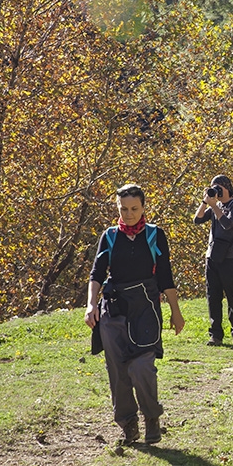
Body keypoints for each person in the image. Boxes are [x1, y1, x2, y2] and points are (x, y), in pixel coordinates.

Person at [85, 184, 185, 445]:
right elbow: (96, 274)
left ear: (143, 208)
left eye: (134, 209)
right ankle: (128, 424)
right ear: (117, 208)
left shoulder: (155, 235)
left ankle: (152, 416)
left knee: (142, 367)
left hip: (146, 309)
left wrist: (176, 312)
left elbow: (165, 276)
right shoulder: (109, 236)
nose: (128, 214)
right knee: (117, 371)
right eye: (123, 209)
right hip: (113, 311)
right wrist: (91, 305)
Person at [194, 175, 233, 345]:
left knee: (232, 296)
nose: (216, 191)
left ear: (227, 187)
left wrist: (215, 206)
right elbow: (197, 219)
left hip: (230, 258)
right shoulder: (215, 205)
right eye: (213, 187)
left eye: (218, 188)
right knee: (213, 297)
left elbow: (227, 224)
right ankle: (215, 335)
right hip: (213, 256)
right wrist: (205, 201)